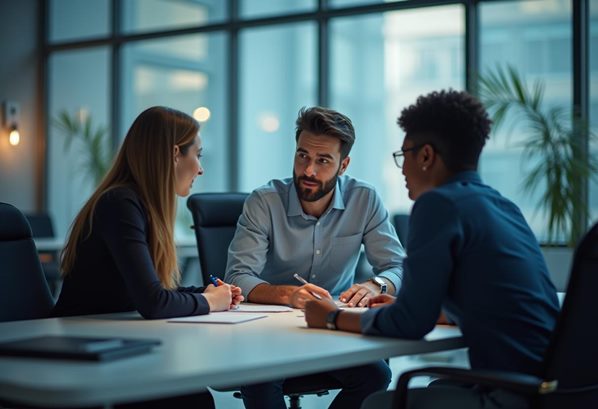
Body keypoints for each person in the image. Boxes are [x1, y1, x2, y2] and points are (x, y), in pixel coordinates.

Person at [304, 90, 560, 409]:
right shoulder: (501, 205)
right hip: (556, 385)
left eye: (404, 154)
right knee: (439, 386)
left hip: (515, 394)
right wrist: (408, 306)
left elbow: (411, 325)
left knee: (376, 404)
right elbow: (495, 300)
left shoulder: (438, 205)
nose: (402, 168)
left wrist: (332, 318)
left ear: (426, 156)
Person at [53, 106, 243, 409]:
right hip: (83, 349)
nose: (200, 169)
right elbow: (153, 302)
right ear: (174, 153)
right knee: (193, 401)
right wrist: (210, 302)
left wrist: (207, 293)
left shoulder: (138, 204)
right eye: (199, 155)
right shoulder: (120, 203)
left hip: (115, 339)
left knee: (194, 397)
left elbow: (152, 291)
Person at [224, 106, 404, 409]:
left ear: (343, 164)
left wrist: (377, 285)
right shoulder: (264, 201)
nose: (309, 170)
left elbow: (396, 266)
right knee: (260, 377)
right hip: (268, 332)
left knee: (376, 375)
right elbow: (237, 276)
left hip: (331, 328)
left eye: (323, 161)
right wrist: (289, 294)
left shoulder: (365, 199)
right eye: (302, 156)